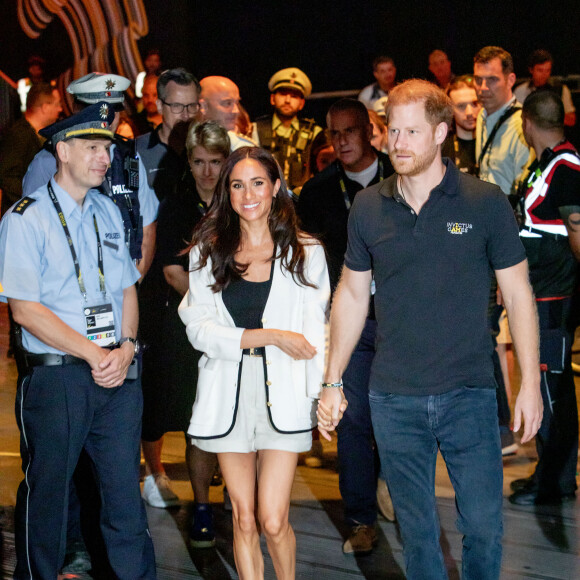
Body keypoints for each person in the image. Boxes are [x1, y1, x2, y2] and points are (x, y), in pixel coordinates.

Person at [317, 79, 543, 579]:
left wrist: (528, 383)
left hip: (469, 392)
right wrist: (332, 380)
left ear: (440, 132)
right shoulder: (369, 207)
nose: (397, 142)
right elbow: (352, 295)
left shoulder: (483, 202)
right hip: (394, 398)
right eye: (392, 131)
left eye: (411, 131)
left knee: (483, 526)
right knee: (417, 536)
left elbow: (520, 295)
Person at [0, 102, 157, 580]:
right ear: (62, 151)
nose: (104, 157)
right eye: (92, 147)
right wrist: (95, 353)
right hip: (59, 379)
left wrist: (127, 345)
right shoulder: (25, 218)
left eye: (106, 147)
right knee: (47, 499)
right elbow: (25, 309)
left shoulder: (107, 211)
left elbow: (128, 287)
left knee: (124, 500)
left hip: (117, 378)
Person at [178, 147, 330, 579]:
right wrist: (271, 337)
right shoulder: (207, 252)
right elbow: (199, 330)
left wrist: (324, 396)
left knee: (273, 518)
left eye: (258, 183)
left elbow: (317, 333)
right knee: (243, 518)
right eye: (237, 184)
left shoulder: (306, 251)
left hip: (284, 397)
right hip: (227, 396)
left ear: (276, 187)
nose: (248, 194)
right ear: (227, 192)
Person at [298, 99, 396, 555]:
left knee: (402, 414)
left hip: (402, 320)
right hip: (348, 322)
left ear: (371, 130)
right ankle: (360, 519)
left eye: (349, 131)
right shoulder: (316, 193)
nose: (340, 141)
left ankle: (394, 488)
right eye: (333, 134)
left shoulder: (402, 179)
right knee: (354, 419)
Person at [141, 121, 230, 547]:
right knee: (200, 420)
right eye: (199, 162)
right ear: (188, 162)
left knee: (239, 418)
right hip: (190, 325)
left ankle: (237, 495)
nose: (208, 172)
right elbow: (172, 271)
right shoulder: (174, 205)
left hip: (242, 324)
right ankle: (201, 507)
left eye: (215, 162)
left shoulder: (243, 199)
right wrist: (211, 305)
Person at [509, 90, 580, 505]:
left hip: (555, 298)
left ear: (527, 123)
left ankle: (556, 482)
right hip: (539, 295)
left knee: (552, 388)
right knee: (547, 385)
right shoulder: (547, 164)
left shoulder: (568, 165)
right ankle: (548, 472)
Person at [136, 67, 201, 509]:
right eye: (175, 105)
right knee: (156, 386)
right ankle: (155, 472)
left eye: (191, 105)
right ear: (157, 105)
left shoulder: (207, 148)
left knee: (200, 383)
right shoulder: (137, 152)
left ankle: (205, 469)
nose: (183, 113)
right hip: (152, 287)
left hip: (201, 279)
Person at [23, 72, 159, 280]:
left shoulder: (130, 157)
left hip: (121, 288)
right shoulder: (49, 161)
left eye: (114, 110)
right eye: (100, 110)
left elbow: (147, 229)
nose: (108, 119)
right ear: (77, 111)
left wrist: (131, 288)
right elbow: (31, 237)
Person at [474, 46, 533, 455]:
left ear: (511, 80)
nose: (482, 88)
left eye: (491, 80)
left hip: (505, 249)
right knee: (484, 334)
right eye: (478, 79)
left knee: (490, 334)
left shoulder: (517, 127)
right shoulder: (483, 117)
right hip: (486, 245)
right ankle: (500, 427)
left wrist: (501, 266)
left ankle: (507, 428)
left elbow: (520, 200)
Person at [252, 67, 323, 190]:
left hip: (302, 199)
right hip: (264, 197)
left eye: (294, 96)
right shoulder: (255, 129)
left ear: (301, 103)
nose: (287, 100)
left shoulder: (314, 133)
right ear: (272, 99)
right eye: (283, 94)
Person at [0, 83, 62, 216]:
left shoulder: (45, 136)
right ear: (45, 107)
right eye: (57, 104)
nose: (60, 109)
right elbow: (7, 177)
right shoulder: (19, 134)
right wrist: (35, 197)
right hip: (22, 216)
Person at [514, 50, 576, 128]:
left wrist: (551, 116)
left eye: (547, 70)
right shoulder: (520, 91)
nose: (544, 75)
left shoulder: (561, 89)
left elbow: (571, 120)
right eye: (540, 70)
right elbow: (515, 120)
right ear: (531, 70)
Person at [199, 75, 257, 150]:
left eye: (237, 103)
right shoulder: (185, 144)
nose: (236, 111)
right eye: (227, 103)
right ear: (203, 106)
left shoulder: (242, 148)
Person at [441, 75, 481, 175]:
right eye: (461, 106)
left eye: (474, 104)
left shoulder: (496, 142)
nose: (469, 112)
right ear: (450, 111)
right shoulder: (441, 150)